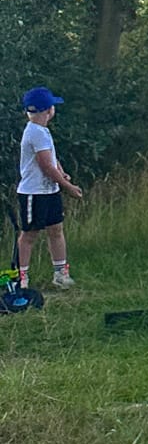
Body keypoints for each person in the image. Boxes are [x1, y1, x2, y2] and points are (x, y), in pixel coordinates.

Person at [15, 86, 82, 291]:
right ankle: (22, 278)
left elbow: (52, 159)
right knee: (30, 234)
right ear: (48, 110)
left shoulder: (42, 132)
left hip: (49, 191)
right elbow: (45, 166)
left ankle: (61, 273)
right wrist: (68, 186)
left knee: (56, 229)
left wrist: (61, 173)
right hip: (33, 193)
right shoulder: (35, 132)